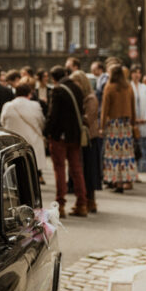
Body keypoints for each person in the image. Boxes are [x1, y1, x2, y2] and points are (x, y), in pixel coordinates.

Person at [44, 66, 88, 217]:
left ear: (53, 78)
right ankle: (82, 203)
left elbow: (53, 115)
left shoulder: (57, 90)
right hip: (74, 135)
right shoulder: (77, 88)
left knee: (60, 169)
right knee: (76, 169)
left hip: (60, 136)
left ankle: (60, 205)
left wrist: (47, 132)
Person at [100, 63, 138, 194]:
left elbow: (105, 109)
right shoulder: (128, 87)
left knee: (113, 154)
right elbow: (133, 106)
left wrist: (102, 125)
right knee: (126, 154)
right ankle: (126, 179)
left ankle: (117, 181)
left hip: (113, 125)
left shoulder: (109, 87)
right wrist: (133, 122)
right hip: (126, 124)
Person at [0, 81, 47, 182]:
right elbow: (41, 122)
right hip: (32, 140)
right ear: (29, 93)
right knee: (31, 168)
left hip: (13, 142)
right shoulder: (35, 105)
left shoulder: (8, 105)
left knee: (14, 169)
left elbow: (2, 122)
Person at [71, 70, 101, 212]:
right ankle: (86, 199)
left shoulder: (90, 98)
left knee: (89, 169)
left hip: (90, 139)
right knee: (84, 169)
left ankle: (91, 200)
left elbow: (88, 118)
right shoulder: (82, 97)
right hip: (83, 138)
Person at [130, 65, 146, 175]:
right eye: (135, 72)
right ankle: (134, 169)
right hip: (134, 121)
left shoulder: (144, 87)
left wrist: (145, 117)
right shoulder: (129, 86)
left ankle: (145, 167)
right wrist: (134, 119)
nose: (137, 75)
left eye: (139, 73)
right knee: (134, 145)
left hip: (143, 120)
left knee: (144, 144)